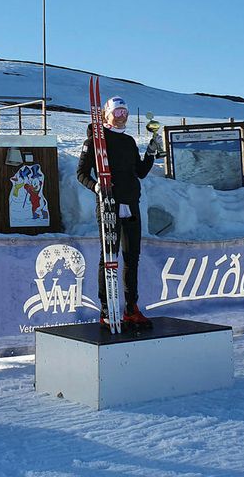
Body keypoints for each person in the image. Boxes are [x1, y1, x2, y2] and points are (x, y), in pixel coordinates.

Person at [77, 96, 160, 327]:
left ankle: (131, 308)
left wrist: (151, 152)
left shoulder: (129, 141)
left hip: (131, 203)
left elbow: (140, 172)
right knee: (109, 258)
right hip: (108, 205)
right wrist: (96, 187)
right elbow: (81, 173)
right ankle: (107, 309)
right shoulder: (95, 141)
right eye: (118, 112)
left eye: (125, 112)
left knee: (132, 258)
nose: (122, 117)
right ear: (107, 114)